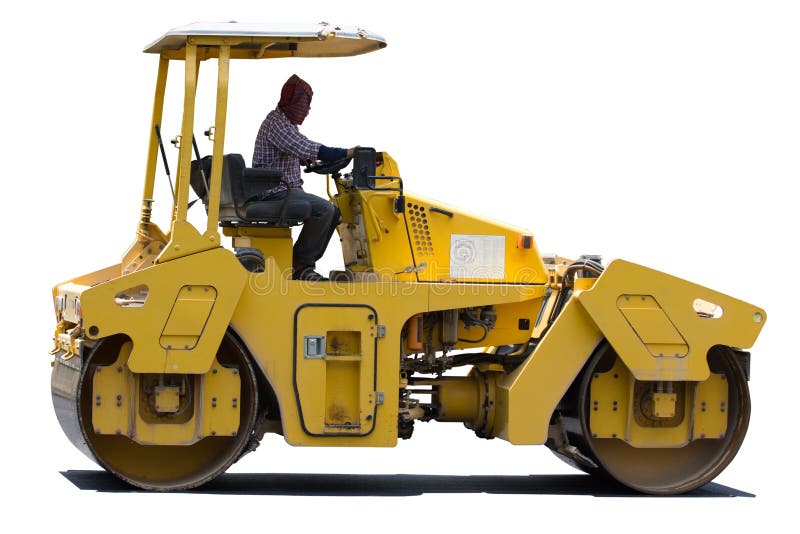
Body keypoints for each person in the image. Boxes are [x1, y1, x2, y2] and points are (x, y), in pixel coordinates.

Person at [252, 74, 356, 281]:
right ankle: (300, 265)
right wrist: (347, 153)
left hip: (283, 189)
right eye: (305, 104)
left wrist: (303, 160)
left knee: (334, 212)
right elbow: (306, 146)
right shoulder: (277, 123)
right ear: (294, 102)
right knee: (324, 210)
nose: (307, 110)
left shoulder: (286, 125)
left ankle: (304, 265)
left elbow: (297, 148)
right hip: (274, 192)